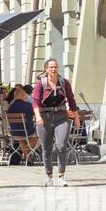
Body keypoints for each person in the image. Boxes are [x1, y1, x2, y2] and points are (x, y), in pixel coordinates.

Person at [32, 58, 80, 186]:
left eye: (55, 67)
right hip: (44, 117)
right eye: (51, 67)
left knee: (61, 145)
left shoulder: (64, 83)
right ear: (46, 69)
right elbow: (35, 102)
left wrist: (76, 117)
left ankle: (61, 176)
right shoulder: (40, 83)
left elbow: (71, 100)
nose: (53, 69)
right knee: (47, 148)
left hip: (61, 116)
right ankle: (49, 176)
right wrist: (38, 117)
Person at [5, 84, 38, 161]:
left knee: (22, 140)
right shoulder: (28, 105)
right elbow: (35, 115)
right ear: (23, 95)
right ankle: (30, 154)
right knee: (38, 137)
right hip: (28, 131)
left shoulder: (10, 107)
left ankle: (28, 157)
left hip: (14, 133)